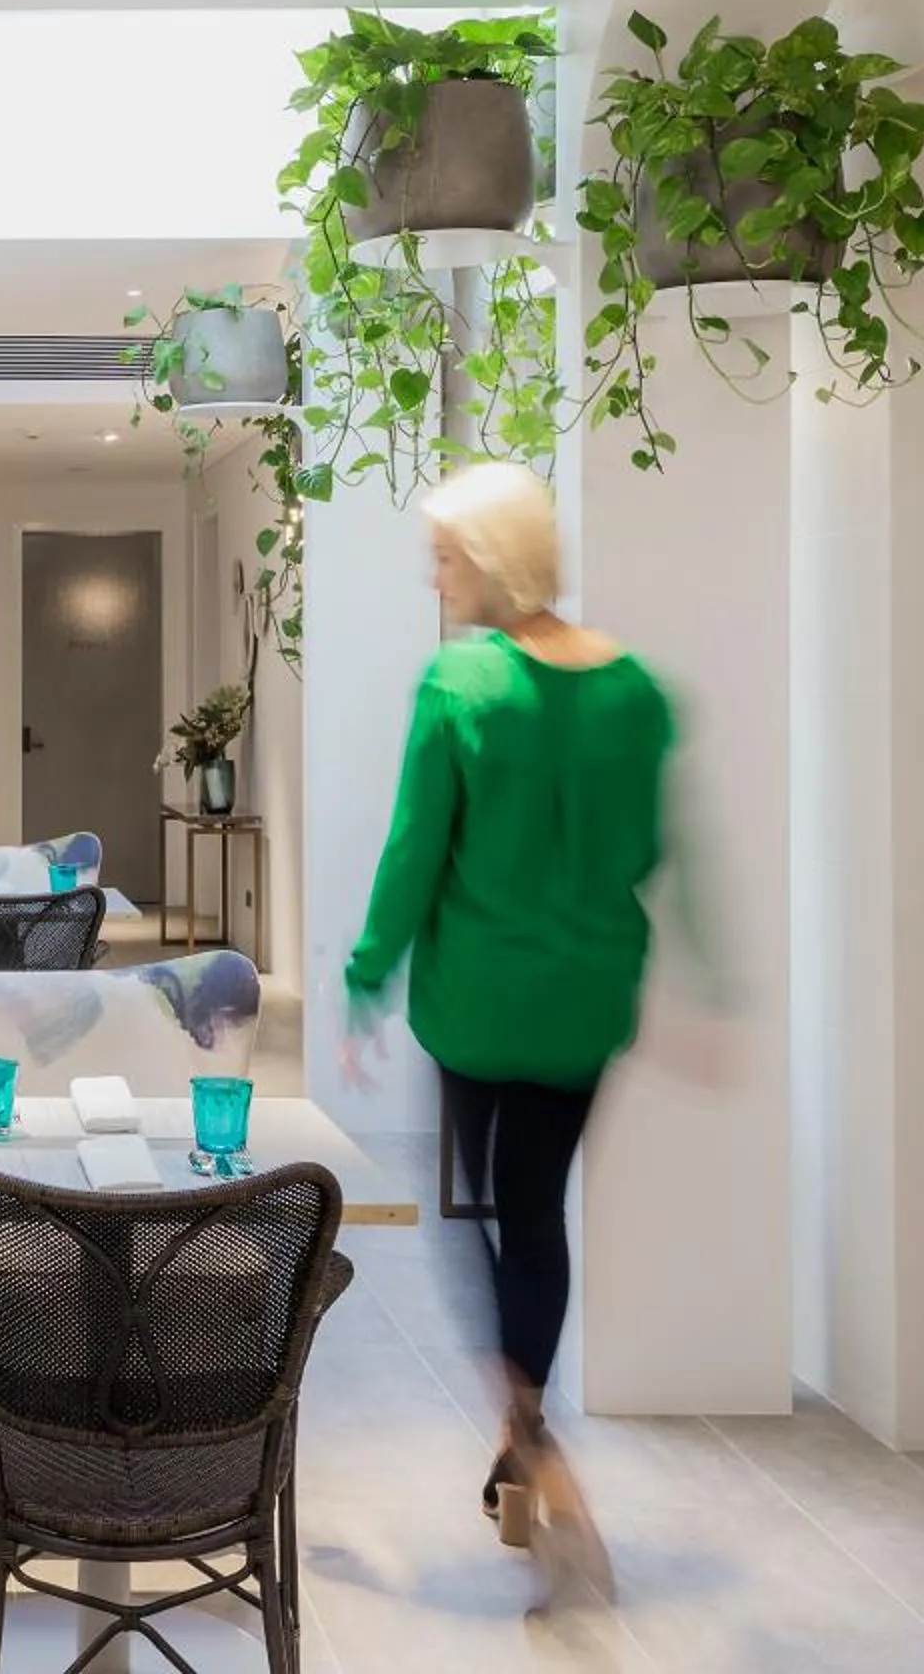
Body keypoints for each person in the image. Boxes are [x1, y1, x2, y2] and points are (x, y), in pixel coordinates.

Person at [342, 461, 678, 1597]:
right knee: (536, 1207)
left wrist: (364, 974)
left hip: (481, 998)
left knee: (470, 1209)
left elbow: (413, 847)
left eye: (442, 558)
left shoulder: (462, 682)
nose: (434, 580)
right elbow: (646, 850)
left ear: (487, 559)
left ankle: (524, 1425)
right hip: (589, 996)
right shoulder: (632, 685)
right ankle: (525, 1432)